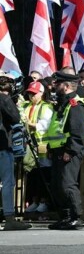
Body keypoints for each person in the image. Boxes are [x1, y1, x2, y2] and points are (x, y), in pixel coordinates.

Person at [44, 70, 84, 230]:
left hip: (69, 151)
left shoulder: (75, 105)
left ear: (67, 86)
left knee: (67, 184)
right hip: (57, 150)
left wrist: (70, 150)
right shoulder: (62, 103)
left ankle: (76, 217)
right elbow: (55, 128)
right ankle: (65, 216)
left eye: (59, 83)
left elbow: (78, 132)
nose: (55, 86)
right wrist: (50, 147)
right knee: (57, 185)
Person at [0, 73, 27, 230]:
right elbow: (16, 118)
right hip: (2, 145)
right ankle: (9, 217)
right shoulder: (4, 98)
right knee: (8, 181)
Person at [22, 80, 52, 218]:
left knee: (43, 174)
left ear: (41, 93)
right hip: (29, 146)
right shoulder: (27, 106)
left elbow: (44, 125)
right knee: (32, 174)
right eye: (29, 93)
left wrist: (29, 124)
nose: (31, 96)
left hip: (42, 145)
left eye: (34, 94)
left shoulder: (46, 107)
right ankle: (34, 200)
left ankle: (44, 200)